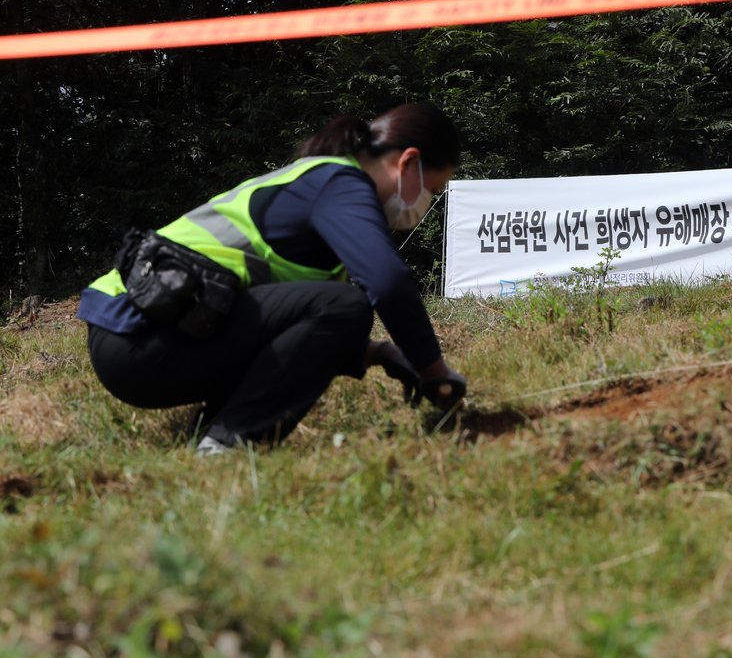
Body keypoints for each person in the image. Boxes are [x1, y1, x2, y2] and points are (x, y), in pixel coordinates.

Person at [79, 101, 468, 453]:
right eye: (433, 189)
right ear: (408, 162)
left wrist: (378, 353)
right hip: (138, 333)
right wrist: (435, 371)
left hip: (139, 338)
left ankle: (212, 431)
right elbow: (387, 283)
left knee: (340, 309)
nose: (425, 203)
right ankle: (229, 445)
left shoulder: (323, 192)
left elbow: (289, 330)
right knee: (348, 306)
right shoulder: (340, 184)